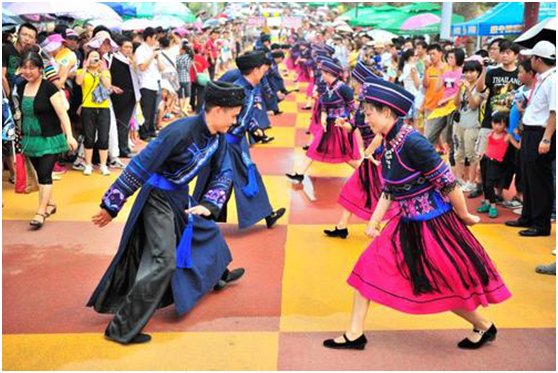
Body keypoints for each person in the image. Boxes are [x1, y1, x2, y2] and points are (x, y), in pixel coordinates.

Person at [323, 78, 511, 351]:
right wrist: (374, 222)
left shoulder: (413, 143)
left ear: (387, 112)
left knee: (443, 285)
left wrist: (465, 216)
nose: (365, 119)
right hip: (405, 221)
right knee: (367, 268)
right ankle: (354, 333)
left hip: (432, 225)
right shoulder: (389, 141)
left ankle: (484, 326)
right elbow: (389, 188)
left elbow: (448, 183)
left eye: (369, 113)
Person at [88, 81, 248, 345]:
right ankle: (120, 329)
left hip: (178, 194)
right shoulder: (179, 132)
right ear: (217, 110)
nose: (235, 121)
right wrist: (111, 205)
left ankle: (217, 275)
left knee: (205, 230)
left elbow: (224, 171)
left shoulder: (216, 137)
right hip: (157, 199)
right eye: (233, 115)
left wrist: (209, 204)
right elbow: (140, 165)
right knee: (164, 261)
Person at [195, 51, 286, 230]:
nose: (265, 73)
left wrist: (254, 128)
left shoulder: (246, 89)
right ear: (255, 70)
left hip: (235, 141)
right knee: (229, 177)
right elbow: (230, 118)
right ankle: (198, 217)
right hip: (229, 142)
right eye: (263, 70)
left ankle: (266, 214)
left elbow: (245, 115)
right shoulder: (239, 90)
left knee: (240, 176)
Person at [324, 63, 398, 239]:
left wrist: (369, 153)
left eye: (355, 82)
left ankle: (391, 227)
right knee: (358, 187)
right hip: (370, 154)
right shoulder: (362, 105)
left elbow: (381, 134)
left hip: (379, 154)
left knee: (385, 192)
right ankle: (342, 225)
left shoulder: (377, 105)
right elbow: (354, 126)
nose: (353, 85)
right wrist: (344, 125)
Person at [13, 52, 77, 228]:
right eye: (24, 68)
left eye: (32, 67)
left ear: (41, 69)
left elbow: (62, 113)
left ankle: (40, 212)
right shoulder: (20, 87)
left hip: (50, 139)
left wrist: (69, 135)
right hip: (29, 139)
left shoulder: (49, 88)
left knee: (44, 174)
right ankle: (49, 203)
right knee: (40, 174)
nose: (28, 71)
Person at [505, 41, 556, 237]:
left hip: (541, 134)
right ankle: (527, 216)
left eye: (532, 58)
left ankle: (540, 224)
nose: (530, 61)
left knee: (539, 180)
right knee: (527, 176)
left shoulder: (552, 79)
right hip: (531, 131)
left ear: (538, 59)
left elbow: (554, 112)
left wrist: (547, 139)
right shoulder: (543, 78)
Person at [286, 59, 361, 184]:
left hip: (339, 126)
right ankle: (300, 173)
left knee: (346, 156)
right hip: (328, 126)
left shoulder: (344, 89)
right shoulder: (328, 87)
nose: (322, 75)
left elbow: (353, 108)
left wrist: (345, 120)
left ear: (329, 74)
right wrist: (323, 117)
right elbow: (324, 105)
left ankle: (363, 173)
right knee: (314, 148)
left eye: (323, 73)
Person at [470, 40, 520, 199]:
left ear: (515, 56)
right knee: (484, 157)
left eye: (508, 53)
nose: (504, 55)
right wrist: (484, 69)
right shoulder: (493, 72)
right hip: (490, 122)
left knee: (506, 160)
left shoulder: (520, 73)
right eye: (502, 52)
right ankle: (481, 186)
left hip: (511, 124)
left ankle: (498, 192)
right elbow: (480, 89)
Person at [75, 50, 112, 176]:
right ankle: (88, 164)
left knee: (103, 137)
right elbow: (78, 82)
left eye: (97, 57)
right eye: (92, 57)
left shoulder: (105, 72)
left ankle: (103, 165)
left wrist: (101, 71)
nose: (95, 59)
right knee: (89, 136)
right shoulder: (81, 71)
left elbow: (108, 86)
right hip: (88, 107)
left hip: (103, 107)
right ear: (86, 59)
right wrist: (85, 67)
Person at [453, 58, 483, 192]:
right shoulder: (463, 86)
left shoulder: (480, 87)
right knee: (458, 153)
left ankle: (471, 181)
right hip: (459, 123)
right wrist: (460, 90)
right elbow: (455, 103)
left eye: (472, 71)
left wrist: (468, 90)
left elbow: (473, 105)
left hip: (472, 125)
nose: (469, 74)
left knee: (471, 154)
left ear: (478, 72)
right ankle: (459, 179)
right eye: (467, 72)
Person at [110, 36, 141, 158]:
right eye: (126, 47)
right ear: (119, 47)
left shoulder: (129, 60)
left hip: (130, 96)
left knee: (126, 123)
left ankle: (124, 147)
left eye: (131, 47)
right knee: (121, 123)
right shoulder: (114, 59)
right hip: (120, 97)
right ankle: (122, 149)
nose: (129, 49)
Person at [477, 112, 510, 218]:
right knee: (485, 183)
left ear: (505, 125)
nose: (496, 126)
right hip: (485, 160)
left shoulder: (507, 136)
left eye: (500, 124)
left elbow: (518, 146)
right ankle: (487, 203)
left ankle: (493, 206)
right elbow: (487, 147)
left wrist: (519, 133)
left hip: (495, 163)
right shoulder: (490, 134)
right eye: (494, 123)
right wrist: (480, 161)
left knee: (489, 184)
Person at [135, 27, 164, 141]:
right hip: (145, 83)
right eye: (155, 38)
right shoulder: (141, 50)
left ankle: (151, 130)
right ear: (148, 38)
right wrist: (152, 56)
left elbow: (161, 68)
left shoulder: (153, 50)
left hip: (154, 83)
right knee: (146, 110)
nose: (156, 41)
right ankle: (144, 133)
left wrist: (157, 57)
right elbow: (141, 67)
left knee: (153, 110)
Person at [422, 44, 448, 145]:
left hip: (444, 108)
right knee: (428, 138)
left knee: (445, 139)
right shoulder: (429, 69)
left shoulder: (447, 68)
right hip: (430, 107)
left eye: (434, 53)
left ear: (441, 54)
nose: (432, 56)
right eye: (430, 54)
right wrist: (425, 69)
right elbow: (425, 85)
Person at [2, 23, 38, 97]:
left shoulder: (31, 55)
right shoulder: (6, 50)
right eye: (24, 34)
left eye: (30, 36)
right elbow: (2, 77)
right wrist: (10, 97)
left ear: (35, 40)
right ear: (18, 34)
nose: (27, 38)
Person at [176, 42, 193, 115]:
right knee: (187, 95)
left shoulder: (178, 57)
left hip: (178, 78)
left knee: (180, 95)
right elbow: (188, 68)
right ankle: (184, 108)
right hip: (186, 78)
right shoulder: (188, 57)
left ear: (183, 50)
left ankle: (181, 110)